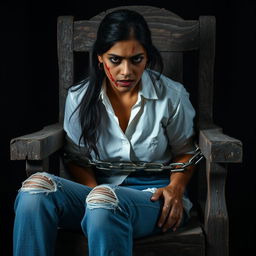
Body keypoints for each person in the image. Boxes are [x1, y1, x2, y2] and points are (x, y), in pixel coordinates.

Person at [13, 9, 200, 256]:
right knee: (34, 192)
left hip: (153, 198)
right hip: (95, 194)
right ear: (100, 57)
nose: (126, 71)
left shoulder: (171, 96)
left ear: (147, 58)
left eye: (136, 59)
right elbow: (75, 157)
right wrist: (92, 195)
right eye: (115, 59)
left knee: (104, 203)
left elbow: (186, 152)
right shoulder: (79, 98)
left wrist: (176, 189)